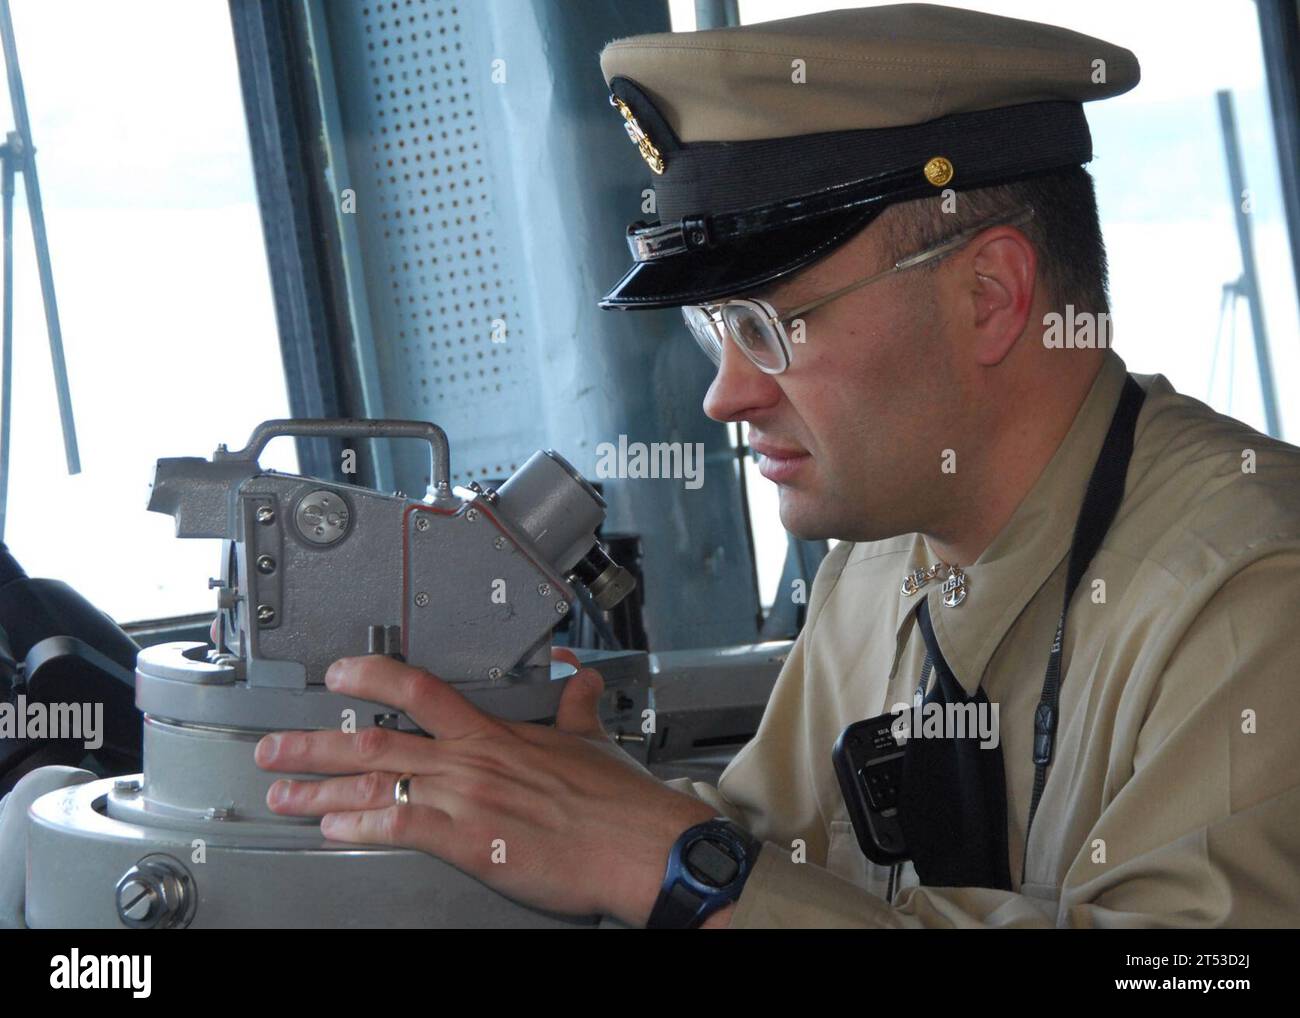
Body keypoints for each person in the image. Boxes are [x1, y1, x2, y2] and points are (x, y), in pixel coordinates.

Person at [254, 4, 1300, 928]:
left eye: (770, 324)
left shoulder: (1253, 595)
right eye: (719, 332)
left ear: (989, 295)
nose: (726, 396)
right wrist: (573, 801)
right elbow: (777, 852)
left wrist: (676, 866)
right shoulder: (882, 559)